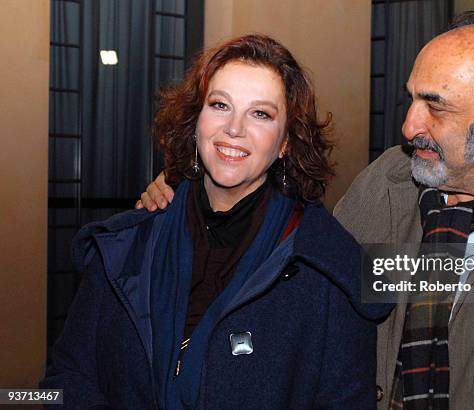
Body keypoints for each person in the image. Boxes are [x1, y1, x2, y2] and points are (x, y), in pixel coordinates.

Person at [139, 13, 474, 409]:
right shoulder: (387, 183)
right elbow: (301, 272)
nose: (409, 126)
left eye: (436, 106)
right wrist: (193, 194)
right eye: (412, 98)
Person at [41, 34, 391, 409]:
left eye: (261, 114)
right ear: (196, 121)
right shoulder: (124, 248)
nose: (234, 129)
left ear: (286, 140)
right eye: (220, 105)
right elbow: (59, 384)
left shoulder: (328, 271)